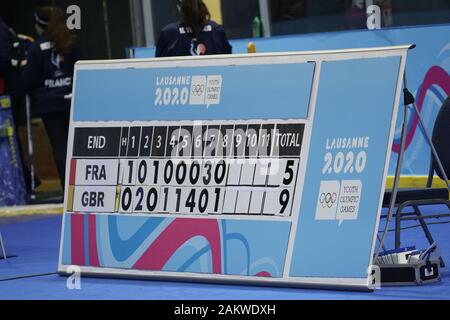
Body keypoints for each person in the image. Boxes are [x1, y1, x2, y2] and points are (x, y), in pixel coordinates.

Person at [22, 6, 81, 187]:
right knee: (76, 145)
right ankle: (80, 187)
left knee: (60, 145)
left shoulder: (35, 49)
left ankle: (68, 188)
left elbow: (28, 79)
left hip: (49, 104)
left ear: (41, 26)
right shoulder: (71, 43)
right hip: (72, 99)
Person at [156, 0, 232, 57]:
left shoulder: (168, 33)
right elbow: (228, 63)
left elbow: (158, 67)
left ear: (179, 7)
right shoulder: (217, 30)